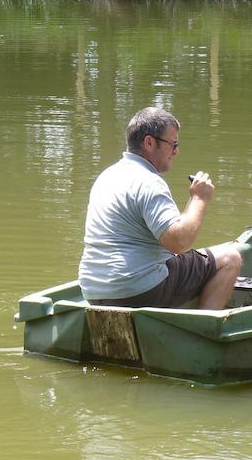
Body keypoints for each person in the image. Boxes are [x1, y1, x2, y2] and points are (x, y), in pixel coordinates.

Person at [78, 106, 242, 309]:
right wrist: (200, 199)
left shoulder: (107, 176)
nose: (176, 151)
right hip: (138, 291)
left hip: (93, 290)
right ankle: (203, 333)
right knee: (230, 258)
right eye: (172, 144)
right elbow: (179, 243)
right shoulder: (148, 182)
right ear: (149, 142)